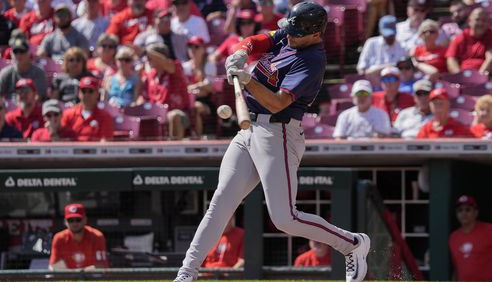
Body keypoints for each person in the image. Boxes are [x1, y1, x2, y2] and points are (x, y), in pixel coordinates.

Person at [173, 3, 370, 282]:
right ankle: (186, 273)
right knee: (220, 202)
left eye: (295, 33)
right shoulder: (291, 34)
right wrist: (242, 52)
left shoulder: (312, 59)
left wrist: (246, 80)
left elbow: (278, 103)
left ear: (315, 34)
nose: (288, 36)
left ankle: (352, 244)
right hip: (249, 129)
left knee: (284, 218)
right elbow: (258, 40)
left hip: (278, 132)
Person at [142, 43, 191, 140]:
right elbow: (144, 98)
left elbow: (165, 63)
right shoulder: (151, 75)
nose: (148, 60)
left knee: (174, 115)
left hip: (180, 114)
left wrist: (145, 51)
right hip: (156, 114)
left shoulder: (175, 67)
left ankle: (175, 151)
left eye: (150, 57)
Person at [49, 203, 109, 269]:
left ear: (85, 220)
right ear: (65, 222)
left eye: (78, 219)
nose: (74, 223)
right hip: (69, 278)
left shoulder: (97, 236)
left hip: (91, 278)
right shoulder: (59, 238)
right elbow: (54, 266)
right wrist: (74, 276)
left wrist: (80, 274)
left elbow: (101, 266)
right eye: (70, 220)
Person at [449, 195, 492, 281]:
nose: (463, 213)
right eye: (460, 210)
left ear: (476, 212)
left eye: (468, 209)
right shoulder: (453, 237)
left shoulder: (489, 230)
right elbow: (457, 268)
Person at [356, 15, 407, 86]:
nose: (389, 38)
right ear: (380, 31)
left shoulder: (402, 46)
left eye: (392, 35)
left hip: (396, 87)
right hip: (373, 87)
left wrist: (377, 70)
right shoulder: (371, 43)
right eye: (387, 36)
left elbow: (406, 73)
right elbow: (361, 71)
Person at [182, 36, 217, 136]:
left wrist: (194, 87)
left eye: (196, 47)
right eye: (190, 47)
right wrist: (199, 87)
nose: (192, 50)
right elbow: (183, 87)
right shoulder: (185, 66)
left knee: (195, 107)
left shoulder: (209, 65)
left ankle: (197, 138)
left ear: (203, 49)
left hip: (206, 101)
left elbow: (209, 88)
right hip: (188, 100)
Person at [61, 76, 114, 141]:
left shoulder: (105, 116)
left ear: (97, 94)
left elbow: (105, 144)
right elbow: (62, 140)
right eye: (84, 91)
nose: (86, 95)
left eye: (90, 91)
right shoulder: (68, 115)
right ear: (79, 93)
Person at [445, 7, 492, 74]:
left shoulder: (490, 35)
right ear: (469, 21)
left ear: (488, 23)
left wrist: (479, 77)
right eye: (477, 19)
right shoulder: (461, 37)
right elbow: (451, 59)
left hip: (486, 76)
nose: (480, 23)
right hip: (463, 77)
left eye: (484, 20)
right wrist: (459, 76)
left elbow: (490, 58)